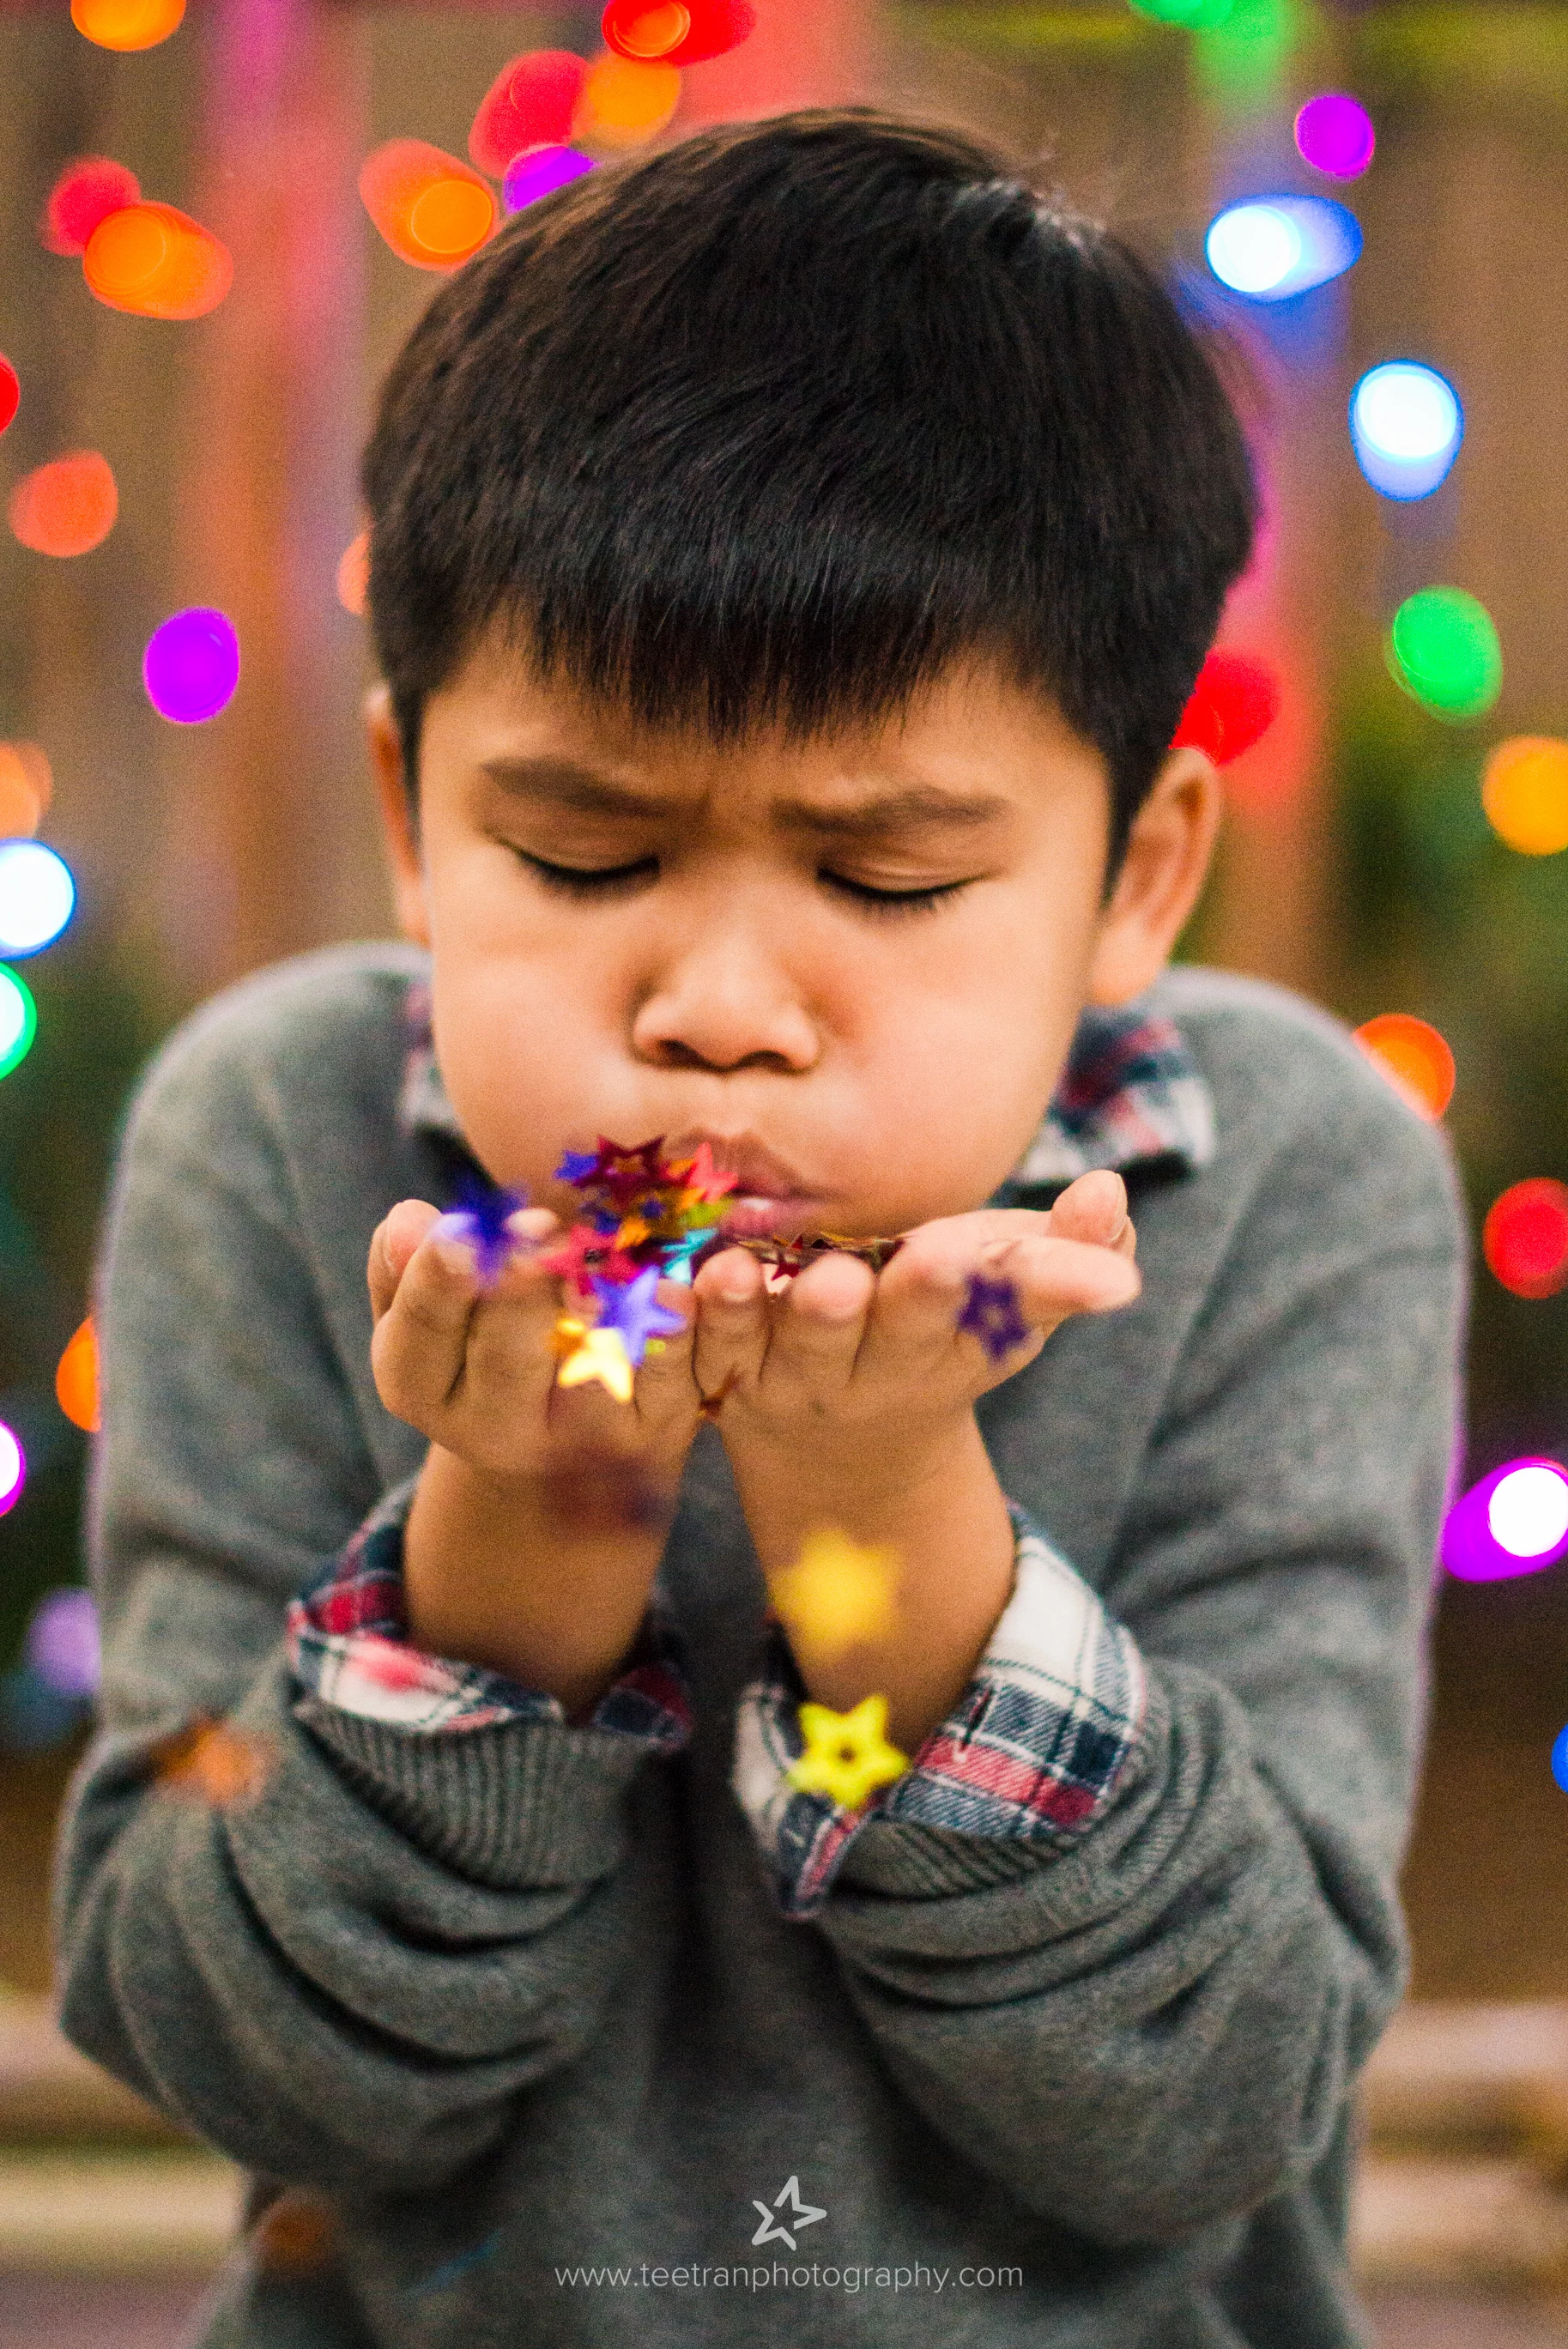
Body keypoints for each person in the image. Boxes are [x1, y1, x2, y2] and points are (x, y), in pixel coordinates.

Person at [53, 109, 1466, 2348]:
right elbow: (235, 2057)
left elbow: (1213, 2105)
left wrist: (885, 1514)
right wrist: (521, 1539)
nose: (716, 1010)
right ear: (412, 815)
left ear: (1138, 877)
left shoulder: (1293, 1179)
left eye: (886, 879)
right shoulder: (279, 1140)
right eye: (584, 859)